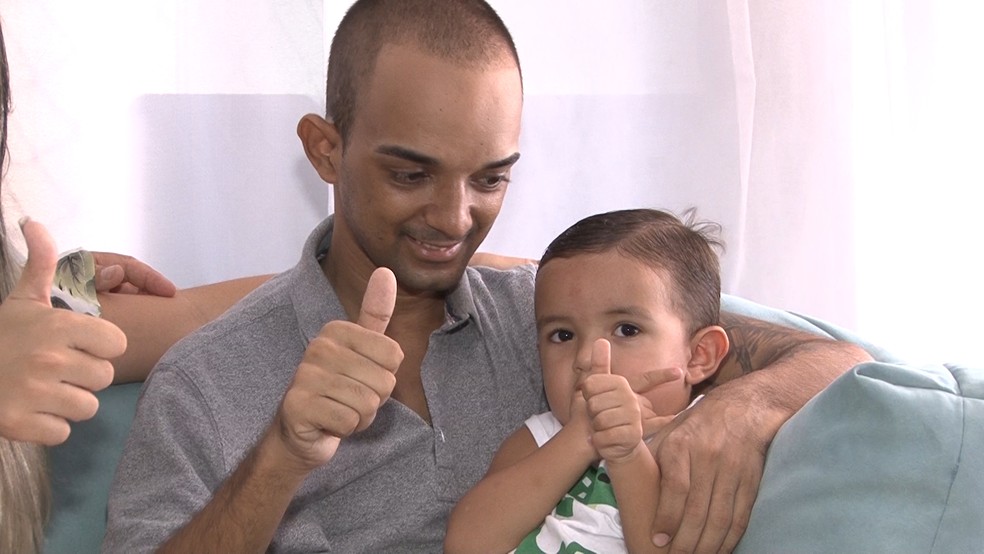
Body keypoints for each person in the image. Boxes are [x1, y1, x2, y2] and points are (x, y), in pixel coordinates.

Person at [104, 1, 872, 552]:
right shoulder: (205, 382)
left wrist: (744, 410)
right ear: (325, 150)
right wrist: (281, 454)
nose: (454, 218)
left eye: (490, 179)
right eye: (412, 174)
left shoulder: (555, 315)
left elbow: (834, 358)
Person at [445, 208, 730, 553]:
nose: (585, 358)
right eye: (563, 335)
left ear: (700, 355)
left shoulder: (701, 438)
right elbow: (466, 545)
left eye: (627, 330)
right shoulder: (543, 435)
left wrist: (626, 454)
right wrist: (580, 438)